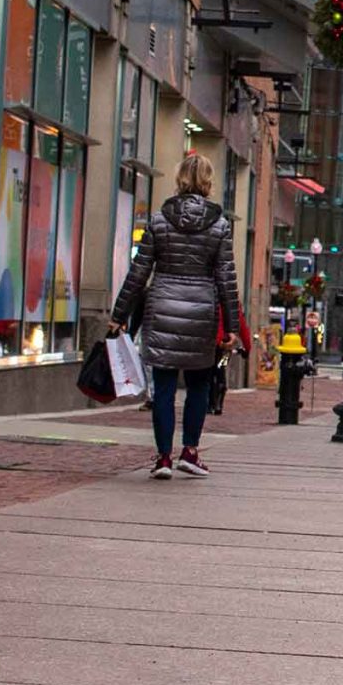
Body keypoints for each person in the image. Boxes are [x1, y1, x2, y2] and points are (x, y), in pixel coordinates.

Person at [109, 154, 244, 479]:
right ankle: (190, 451)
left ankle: (163, 458)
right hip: (201, 310)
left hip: (163, 306)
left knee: (165, 386)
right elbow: (226, 277)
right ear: (208, 182)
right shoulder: (220, 225)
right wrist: (233, 326)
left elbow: (139, 271)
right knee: (199, 384)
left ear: (179, 179)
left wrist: (119, 314)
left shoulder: (158, 221)